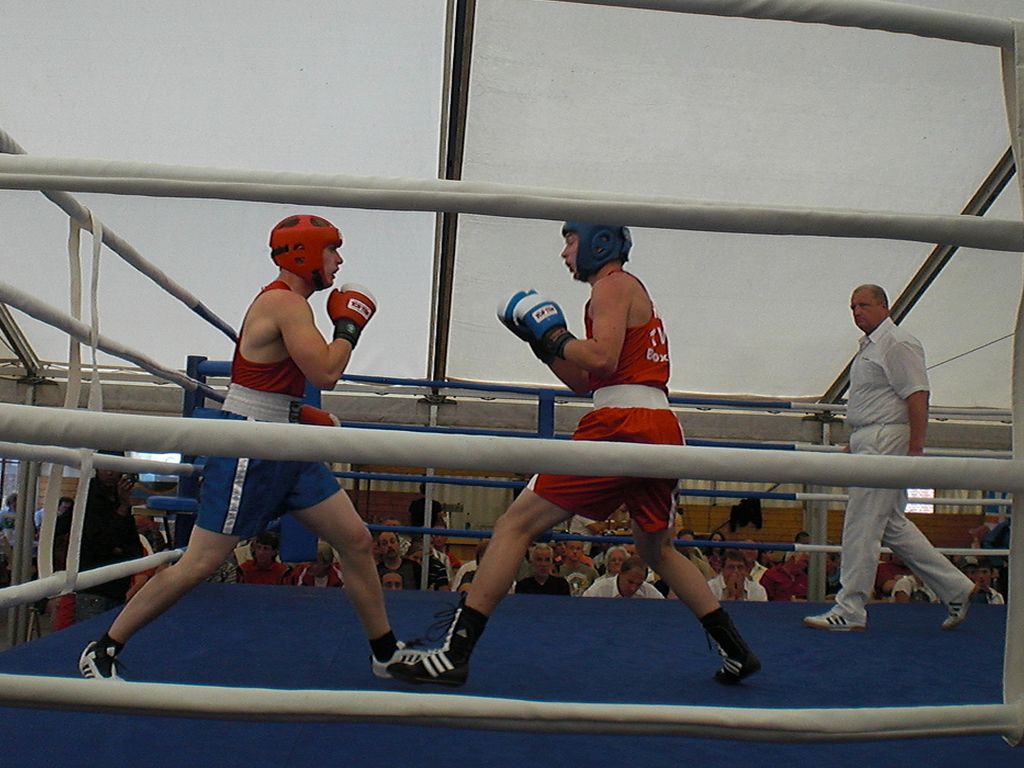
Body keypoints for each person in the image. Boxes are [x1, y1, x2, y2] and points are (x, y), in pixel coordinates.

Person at [387, 222, 759, 686]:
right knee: (657, 548)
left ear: (597, 242)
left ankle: (453, 653)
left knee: (514, 525)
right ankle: (737, 650)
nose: (564, 253)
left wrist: (556, 335)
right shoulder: (621, 292)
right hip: (659, 426)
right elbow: (587, 380)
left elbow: (600, 359)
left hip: (621, 425)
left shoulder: (611, 285)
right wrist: (542, 343)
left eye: (569, 241)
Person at [79, 213, 423, 681]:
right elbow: (325, 372)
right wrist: (349, 326)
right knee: (200, 562)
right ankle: (104, 647)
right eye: (332, 250)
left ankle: (384, 652)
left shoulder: (289, 304)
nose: (339, 261)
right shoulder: (284, 303)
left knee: (357, 541)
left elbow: (269, 383)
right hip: (252, 447)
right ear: (305, 252)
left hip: (288, 444)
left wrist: (300, 413)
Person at [804, 284, 975, 632]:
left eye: (863, 305)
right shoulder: (872, 347)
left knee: (862, 523)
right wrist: (856, 442)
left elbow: (918, 394)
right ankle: (955, 586)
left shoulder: (897, 342)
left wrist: (916, 449)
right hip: (872, 438)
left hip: (885, 439)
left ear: (884, 306)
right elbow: (876, 401)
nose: (857, 312)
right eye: (853, 307)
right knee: (890, 525)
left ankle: (850, 608)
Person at [75, 468, 148, 621]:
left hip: (114, 587)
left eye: (113, 468)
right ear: (97, 468)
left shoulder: (118, 497)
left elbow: (132, 547)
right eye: (105, 467)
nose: (109, 473)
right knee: (94, 631)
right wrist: (123, 507)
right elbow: (101, 544)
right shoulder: (88, 498)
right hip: (95, 587)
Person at [582, 556, 664, 599]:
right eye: (630, 582)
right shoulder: (599, 589)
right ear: (620, 573)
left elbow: (663, 609)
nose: (633, 588)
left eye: (639, 584)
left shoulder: (648, 591)